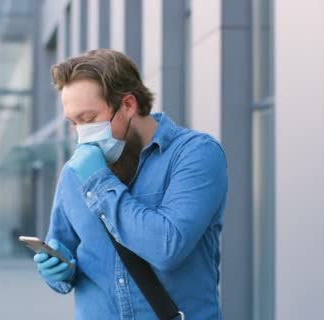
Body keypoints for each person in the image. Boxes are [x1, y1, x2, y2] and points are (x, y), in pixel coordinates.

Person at [32, 49, 228, 319]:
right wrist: (58, 271)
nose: (81, 134)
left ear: (128, 105)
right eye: (73, 123)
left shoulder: (195, 154)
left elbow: (167, 248)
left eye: (88, 119)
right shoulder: (74, 172)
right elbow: (63, 246)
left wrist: (99, 181)